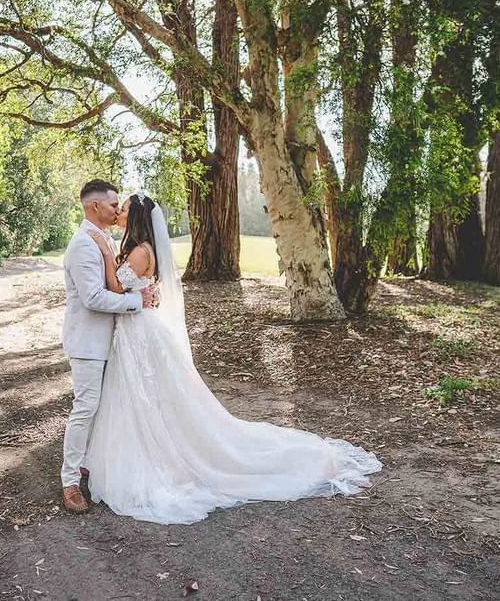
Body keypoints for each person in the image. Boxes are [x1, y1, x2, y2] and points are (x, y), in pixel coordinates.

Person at [81, 190, 382, 524]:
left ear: (135, 217)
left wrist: (108, 257)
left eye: (122, 209)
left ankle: (161, 458)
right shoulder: (138, 249)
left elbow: (114, 289)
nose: (119, 212)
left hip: (139, 333)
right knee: (142, 398)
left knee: (149, 397)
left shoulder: (140, 252)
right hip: (135, 330)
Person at [60, 180, 156, 513]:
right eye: (114, 204)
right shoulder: (83, 244)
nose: (118, 210)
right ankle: (69, 482)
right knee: (85, 408)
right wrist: (137, 300)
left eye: (121, 206)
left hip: (112, 341)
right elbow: (93, 298)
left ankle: (87, 461)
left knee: (101, 408)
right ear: (94, 207)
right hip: (88, 341)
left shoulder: (104, 237)